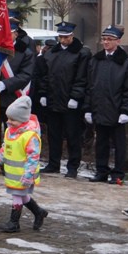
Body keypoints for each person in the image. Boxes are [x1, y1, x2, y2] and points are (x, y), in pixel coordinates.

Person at [34, 21, 90, 178]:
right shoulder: (51, 53)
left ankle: (73, 166)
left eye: (66, 37)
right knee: (54, 134)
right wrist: (44, 94)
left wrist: (75, 97)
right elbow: (45, 76)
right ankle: (53, 163)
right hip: (53, 99)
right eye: (60, 37)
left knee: (73, 135)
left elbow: (81, 78)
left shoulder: (81, 54)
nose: (63, 40)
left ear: (72, 36)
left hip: (70, 102)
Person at [84, 25, 128, 183]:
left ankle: (118, 173)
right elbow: (90, 86)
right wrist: (88, 108)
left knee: (119, 144)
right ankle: (101, 171)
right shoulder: (96, 60)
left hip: (117, 110)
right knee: (100, 142)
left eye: (110, 39)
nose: (106, 42)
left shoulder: (127, 64)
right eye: (104, 39)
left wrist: (126, 111)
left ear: (118, 41)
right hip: (99, 108)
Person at [0, 96, 49, 232]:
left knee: (17, 197)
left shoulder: (30, 136)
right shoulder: (9, 131)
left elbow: (33, 158)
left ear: (23, 119)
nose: (9, 122)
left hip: (24, 175)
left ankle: (14, 223)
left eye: (13, 119)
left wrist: (28, 175)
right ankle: (38, 212)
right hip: (13, 175)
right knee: (22, 196)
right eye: (8, 118)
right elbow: (5, 147)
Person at [0, 16, 36, 129]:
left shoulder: (25, 53)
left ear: (16, 34)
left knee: (12, 131)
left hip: (13, 98)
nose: (6, 37)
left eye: (9, 33)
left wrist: (5, 84)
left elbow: (25, 75)